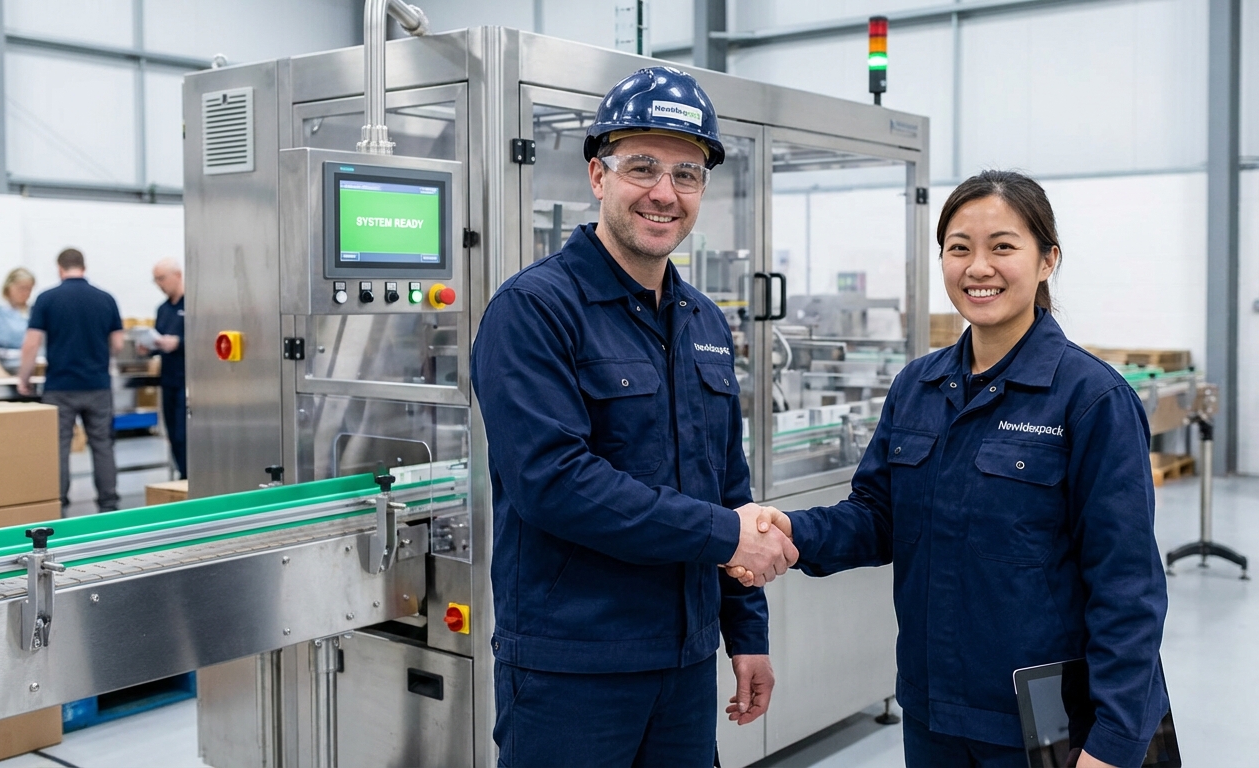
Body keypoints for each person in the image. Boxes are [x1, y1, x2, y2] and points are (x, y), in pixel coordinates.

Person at [733, 171, 1169, 768]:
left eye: (1003, 247)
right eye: (959, 248)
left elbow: (1127, 584)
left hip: (1048, 714)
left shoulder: (1090, 399)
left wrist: (1116, 742)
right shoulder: (920, 384)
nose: (978, 267)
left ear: (1047, 261)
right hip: (934, 704)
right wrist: (790, 531)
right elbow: (877, 516)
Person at [470, 67, 796, 767]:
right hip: (571, 669)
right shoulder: (534, 310)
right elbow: (554, 482)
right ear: (598, 175)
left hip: (683, 661)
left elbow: (727, 486)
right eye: (641, 167)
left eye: (687, 174)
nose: (664, 193)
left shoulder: (703, 320)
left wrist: (747, 634)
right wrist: (726, 536)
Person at [18, 249, 124, 512]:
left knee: (59, 446)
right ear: (83, 267)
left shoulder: (47, 299)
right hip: (97, 385)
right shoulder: (106, 298)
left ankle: (59, 503)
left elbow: (31, 344)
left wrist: (24, 378)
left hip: (60, 386)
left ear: (60, 268)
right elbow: (119, 344)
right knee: (102, 444)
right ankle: (109, 503)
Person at [142, 259, 187, 479]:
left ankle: (190, 476)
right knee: (172, 434)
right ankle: (181, 475)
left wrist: (179, 343)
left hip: (188, 381)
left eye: (161, 278)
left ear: (177, 275)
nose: (159, 284)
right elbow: (158, 339)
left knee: (183, 433)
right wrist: (148, 347)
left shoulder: (192, 305)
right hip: (168, 379)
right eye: (156, 280)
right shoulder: (163, 309)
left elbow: (205, 342)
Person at [0, 267, 36, 349]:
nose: (25, 293)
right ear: (9, 287)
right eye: (21, 288)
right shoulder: (1, 313)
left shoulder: (34, 312)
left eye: (29, 289)